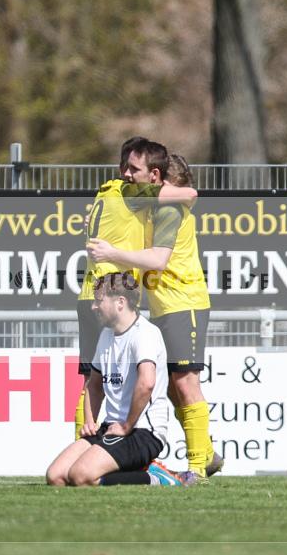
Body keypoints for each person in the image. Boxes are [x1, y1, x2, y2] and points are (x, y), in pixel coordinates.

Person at [87, 154, 220, 486]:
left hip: (182, 302)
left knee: (185, 383)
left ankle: (198, 469)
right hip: (160, 306)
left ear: (161, 181)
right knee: (173, 390)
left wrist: (111, 254)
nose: (131, 177)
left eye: (138, 173)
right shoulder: (150, 206)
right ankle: (207, 453)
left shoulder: (170, 209)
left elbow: (158, 261)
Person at [73, 139, 197, 439]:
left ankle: (80, 448)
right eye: (126, 168)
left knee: (93, 378)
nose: (128, 174)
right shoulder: (132, 193)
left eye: (133, 168)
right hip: (114, 297)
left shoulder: (107, 190)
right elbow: (190, 193)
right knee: (127, 378)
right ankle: (119, 447)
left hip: (91, 294)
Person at [48, 272, 182, 486]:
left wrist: (127, 425)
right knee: (56, 476)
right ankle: (137, 470)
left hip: (142, 432)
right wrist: (90, 422)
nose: (93, 306)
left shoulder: (145, 333)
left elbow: (147, 383)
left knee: (81, 477)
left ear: (120, 302)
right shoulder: (106, 335)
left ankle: (156, 477)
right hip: (112, 428)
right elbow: (94, 385)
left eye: (99, 300)